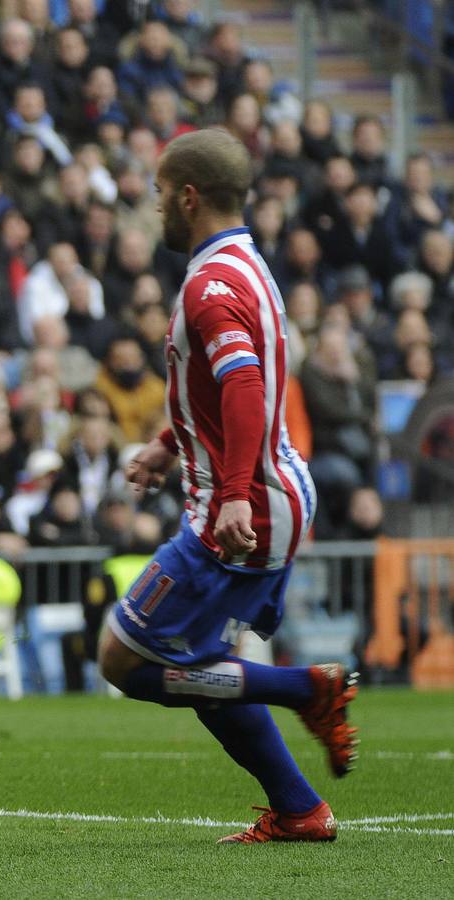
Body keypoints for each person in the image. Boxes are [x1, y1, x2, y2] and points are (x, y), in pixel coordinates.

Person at [103, 129, 357, 845]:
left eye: (158, 194)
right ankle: (299, 809)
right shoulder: (243, 264)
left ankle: (304, 687)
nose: (154, 208)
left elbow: (243, 386)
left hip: (240, 506)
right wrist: (165, 445)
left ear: (187, 196)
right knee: (201, 660)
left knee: (124, 661)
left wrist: (236, 492)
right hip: (269, 490)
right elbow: (222, 389)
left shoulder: (208, 286)